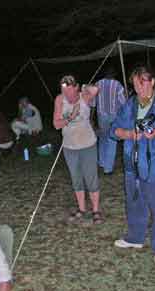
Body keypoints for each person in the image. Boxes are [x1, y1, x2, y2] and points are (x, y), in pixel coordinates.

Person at [111, 65, 155, 265]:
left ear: (152, 82)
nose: (139, 89)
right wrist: (128, 134)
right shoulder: (130, 105)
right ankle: (135, 238)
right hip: (132, 166)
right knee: (135, 203)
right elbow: (114, 129)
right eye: (135, 85)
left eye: (142, 83)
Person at [53, 75, 103, 225]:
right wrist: (70, 117)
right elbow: (56, 124)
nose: (67, 95)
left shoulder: (84, 97)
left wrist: (82, 88)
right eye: (63, 91)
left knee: (91, 178)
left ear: (76, 87)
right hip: (69, 147)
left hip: (88, 144)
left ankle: (95, 210)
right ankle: (81, 209)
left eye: (69, 90)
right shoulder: (60, 100)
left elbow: (96, 88)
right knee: (76, 179)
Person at [95, 67, 126, 174]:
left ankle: (102, 162)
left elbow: (93, 103)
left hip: (101, 116)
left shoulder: (98, 84)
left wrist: (92, 117)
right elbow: (123, 103)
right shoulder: (118, 85)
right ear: (114, 74)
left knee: (103, 138)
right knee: (112, 140)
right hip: (113, 116)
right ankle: (108, 168)